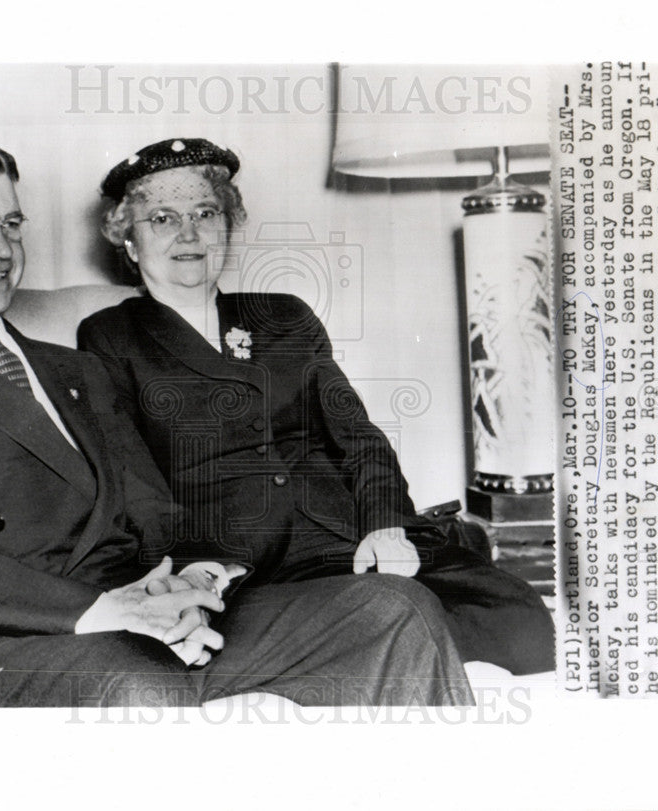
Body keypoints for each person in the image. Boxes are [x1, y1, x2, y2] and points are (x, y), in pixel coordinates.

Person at [0, 136, 474, 707]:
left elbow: (153, 509)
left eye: (11, 223)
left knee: (395, 611)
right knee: (146, 691)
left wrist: (189, 579)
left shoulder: (73, 367)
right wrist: (106, 608)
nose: (0, 246)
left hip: (136, 612)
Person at [78, 137, 555, 676]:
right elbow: (132, 478)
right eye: (162, 218)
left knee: (516, 613)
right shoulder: (111, 335)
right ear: (130, 241)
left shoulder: (283, 315)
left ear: (227, 227)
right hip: (250, 566)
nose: (188, 233)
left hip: (354, 532)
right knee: (404, 625)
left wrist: (386, 524)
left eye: (205, 213)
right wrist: (192, 567)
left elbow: (358, 436)